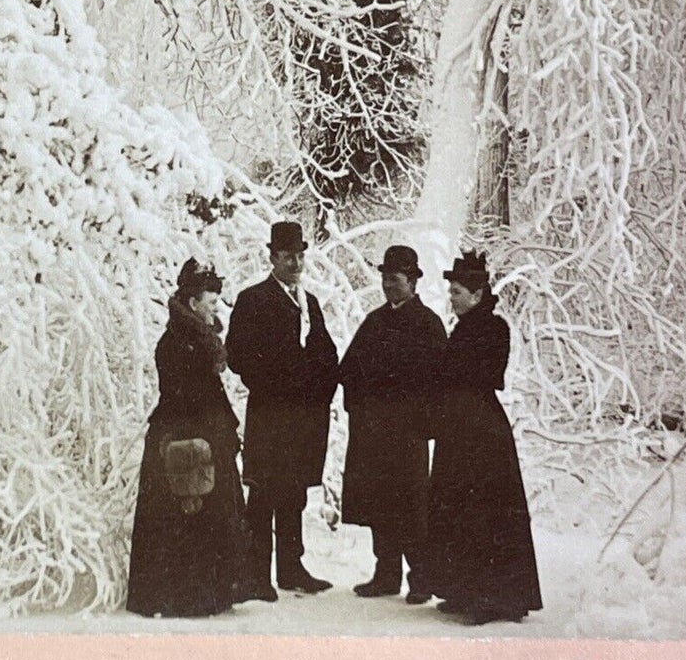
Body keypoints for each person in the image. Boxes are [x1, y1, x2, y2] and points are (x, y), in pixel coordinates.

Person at [126, 259, 250, 618]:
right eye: (211, 302)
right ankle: (185, 596)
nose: (216, 308)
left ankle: (207, 592)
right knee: (185, 510)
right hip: (184, 437)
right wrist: (210, 433)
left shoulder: (199, 338)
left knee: (201, 513)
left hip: (203, 433)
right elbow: (185, 395)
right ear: (193, 304)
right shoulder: (178, 343)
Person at [426, 251, 543, 626]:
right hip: (460, 428)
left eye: (457, 291)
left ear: (477, 295)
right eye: (452, 291)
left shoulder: (493, 327)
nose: (452, 297)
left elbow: (487, 374)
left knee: (483, 511)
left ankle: (492, 597)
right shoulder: (464, 326)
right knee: (458, 506)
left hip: (480, 432)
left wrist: (446, 373)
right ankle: (463, 590)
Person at [226, 221, 340, 598]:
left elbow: (326, 353)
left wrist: (320, 390)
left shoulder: (309, 303)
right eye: (287, 256)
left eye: (300, 255)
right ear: (272, 257)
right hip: (271, 414)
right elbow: (239, 356)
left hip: (302, 418)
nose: (296, 262)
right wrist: (279, 378)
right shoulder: (253, 300)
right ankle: (258, 574)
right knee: (263, 493)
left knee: (293, 492)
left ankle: (291, 568)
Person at [339, 244, 446, 601]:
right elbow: (349, 369)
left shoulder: (428, 325)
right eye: (385, 279)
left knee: (412, 508)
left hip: (407, 434)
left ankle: (423, 579)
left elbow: (438, 383)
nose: (388, 286)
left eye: (396, 280)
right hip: (373, 432)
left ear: (413, 282)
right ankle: (386, 575)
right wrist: (358, 407)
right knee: (379, 504)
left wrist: (421, 423)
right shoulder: (374, 321)